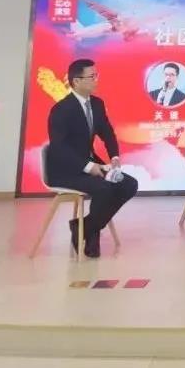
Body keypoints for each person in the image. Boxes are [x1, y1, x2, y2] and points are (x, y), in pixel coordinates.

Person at [45, 58, 138, 258]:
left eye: (97, 75)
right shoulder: (61, 109)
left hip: (90, 164)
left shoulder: (97, 104)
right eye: (92, 76)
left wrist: (114, 156)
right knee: (104, 188)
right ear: (76, 81)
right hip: (65, 170)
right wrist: (88, 167)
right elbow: (59, 148)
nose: (96, 80)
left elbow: (107, 132)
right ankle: (92, 234)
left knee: (129, 184)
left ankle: (85, 227)